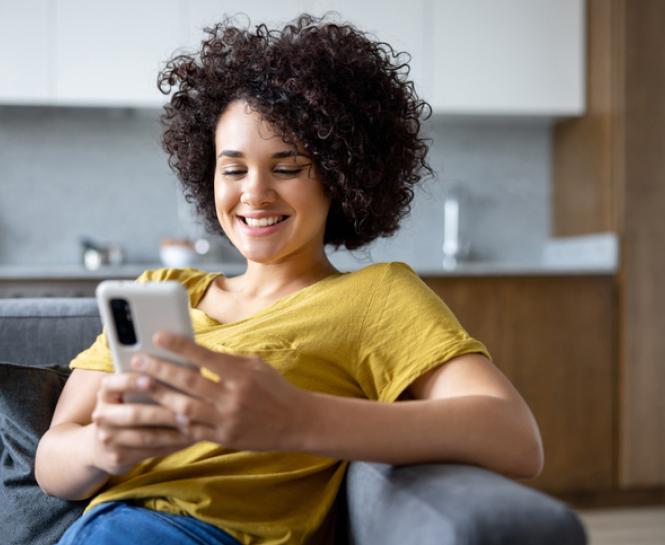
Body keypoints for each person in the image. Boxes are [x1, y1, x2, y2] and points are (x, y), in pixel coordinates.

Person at [35, 13, 544, 545]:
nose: (254, 194)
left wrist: (295, 418)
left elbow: (514, 437)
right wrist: (101, 447)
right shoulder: (163, 288)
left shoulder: (376, 296)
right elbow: (52, 459)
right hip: (101, 527)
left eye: (286, 167)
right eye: (233, 169)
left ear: (339, 174)